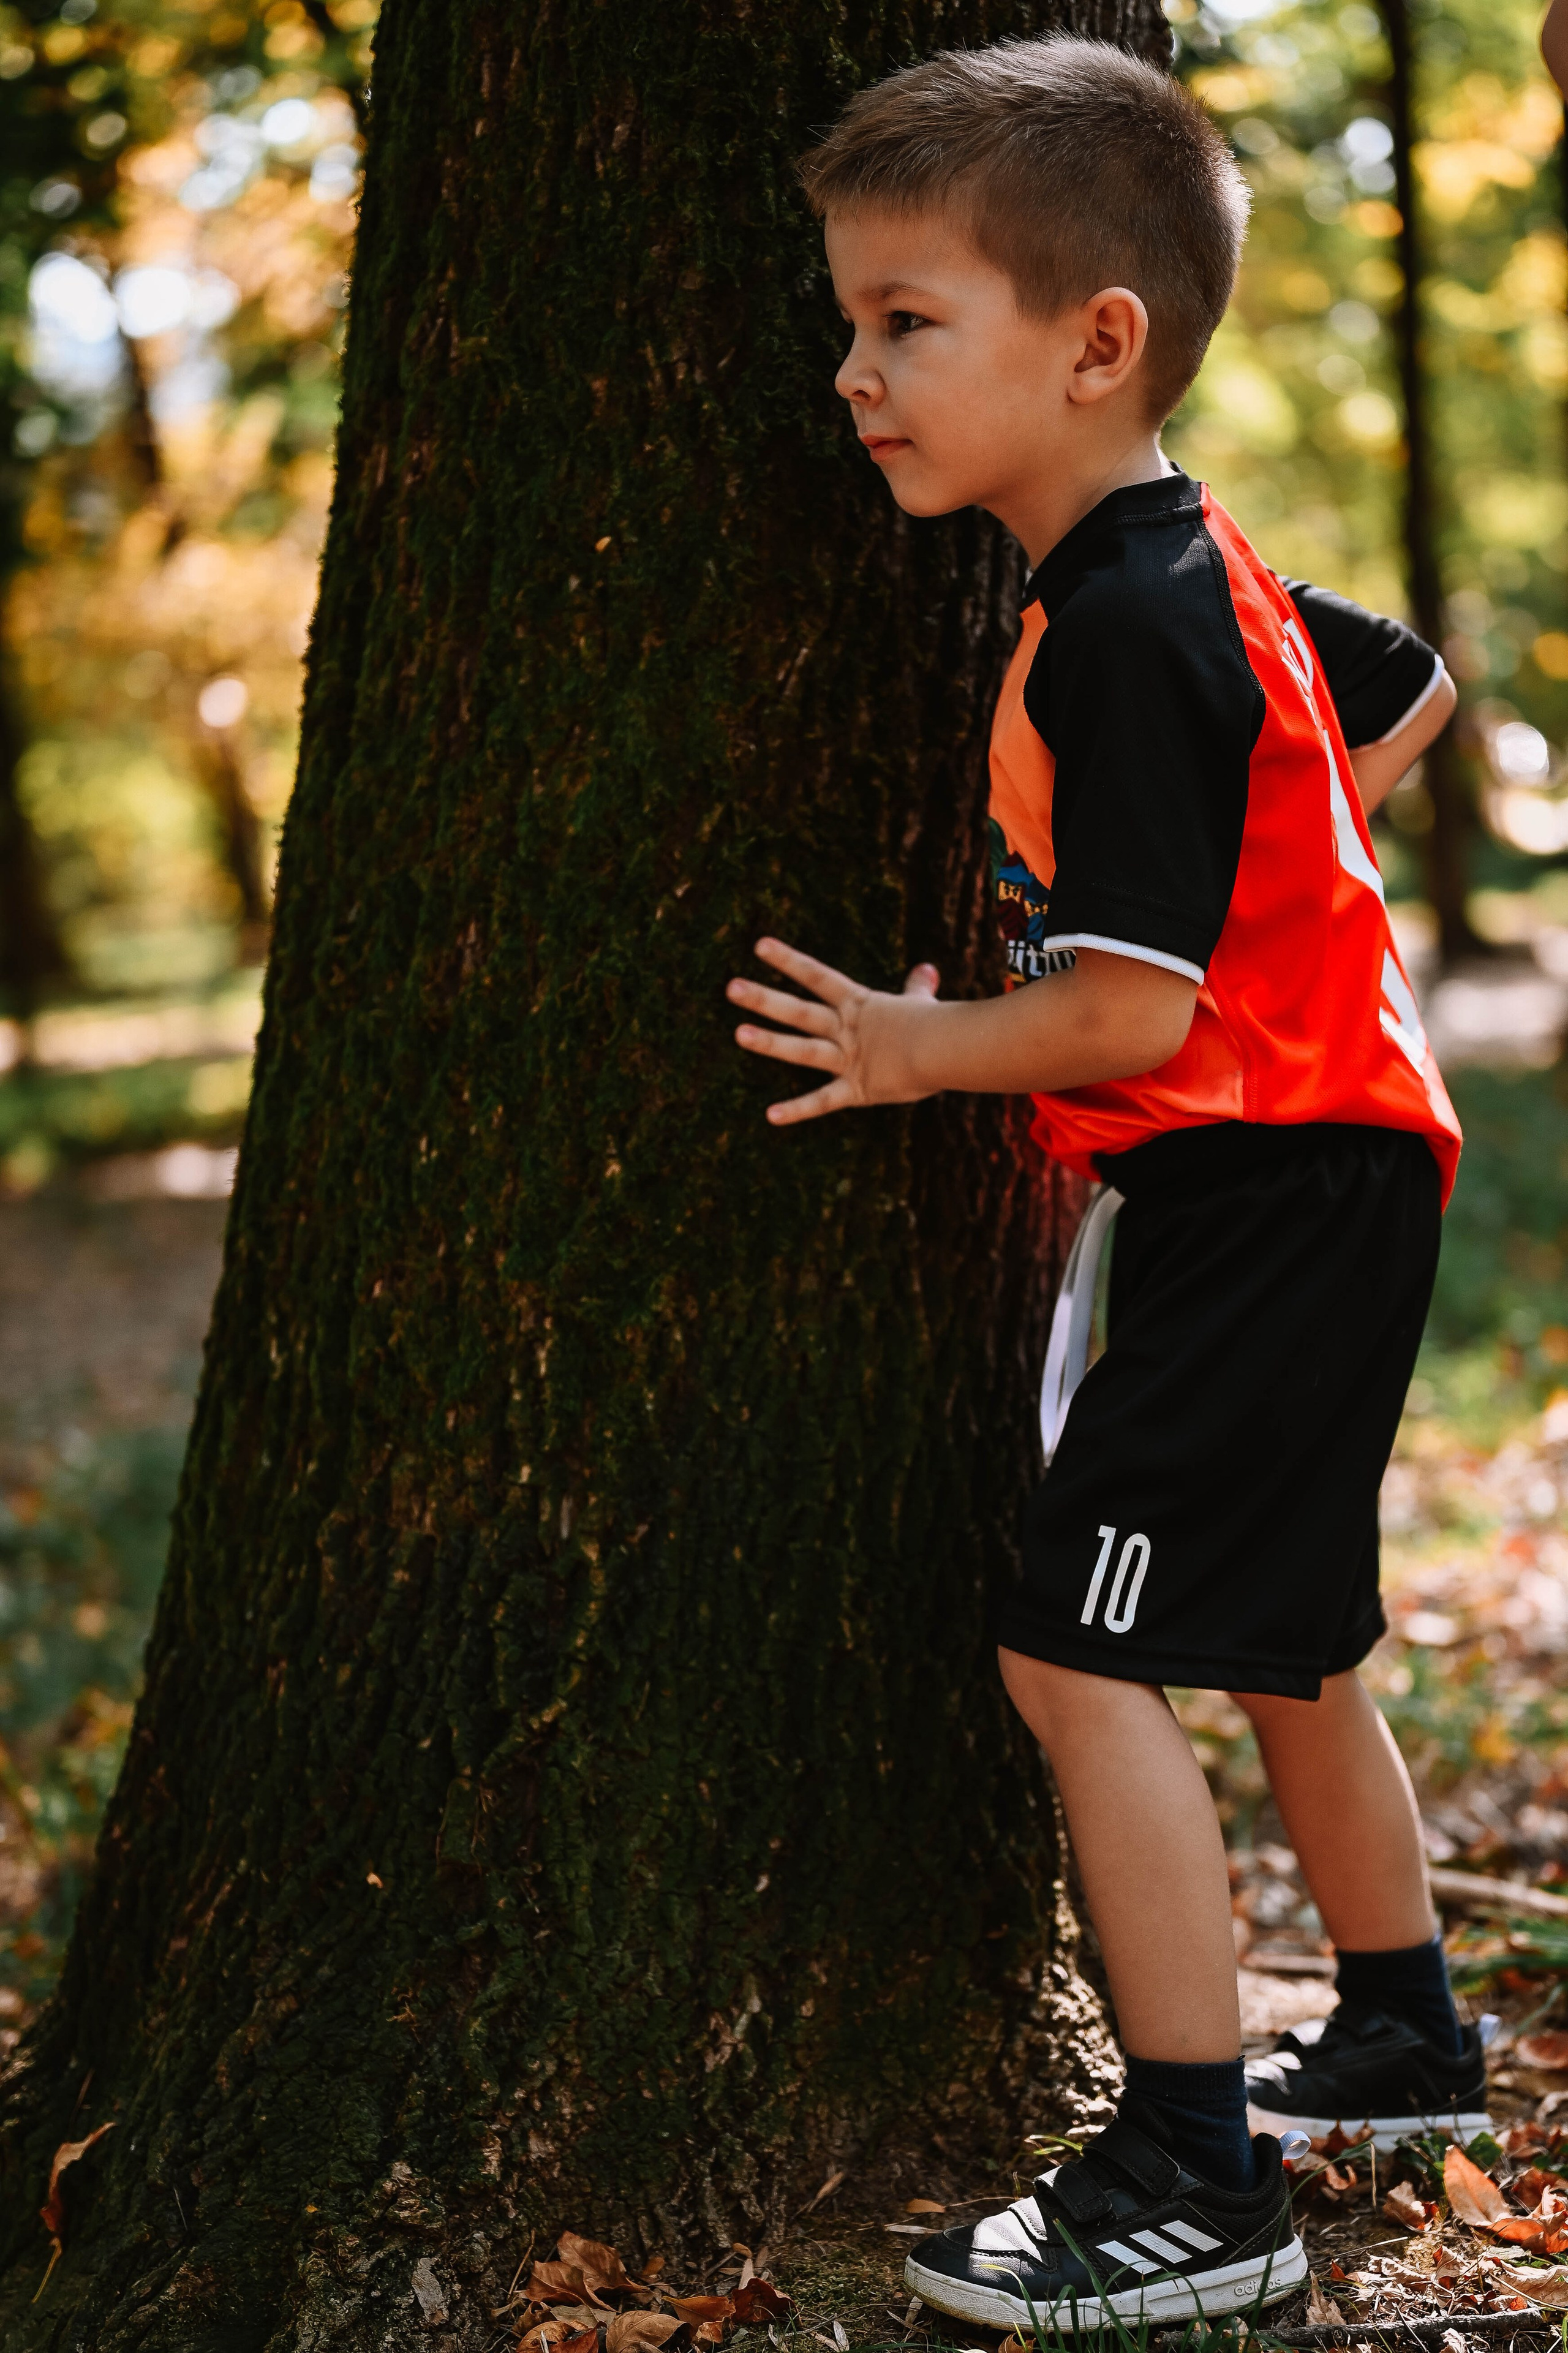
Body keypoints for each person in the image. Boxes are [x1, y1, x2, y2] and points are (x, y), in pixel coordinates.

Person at [726, 35, 1482, 2338]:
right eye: (850, 321)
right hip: (1336, 1162)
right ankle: (1396, 2031)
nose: (851, 374)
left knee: (1075, 1651)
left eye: (903, 323)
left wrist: (921, 1039)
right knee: (1287, 1640)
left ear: (1098, 338)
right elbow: (1410, 686)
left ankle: (1192, 2162)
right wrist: (1241, 872)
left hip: (1266, 1173)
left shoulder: (1134, 622)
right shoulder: (1189, 564)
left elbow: (1139, 1019)